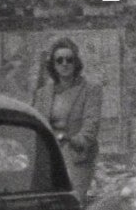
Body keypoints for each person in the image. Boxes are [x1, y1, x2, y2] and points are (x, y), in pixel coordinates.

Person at [32, 37, 101, 201]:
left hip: (77, 157)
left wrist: (77, 141)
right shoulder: (43, 93)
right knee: (48, 203)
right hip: (50, 155)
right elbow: (37, 123)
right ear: (53, 65)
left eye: (69, 59)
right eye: (59, 60)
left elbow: (91, 123)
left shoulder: (91, 89)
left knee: (73, 203)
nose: (65, 64)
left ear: (76, 63)